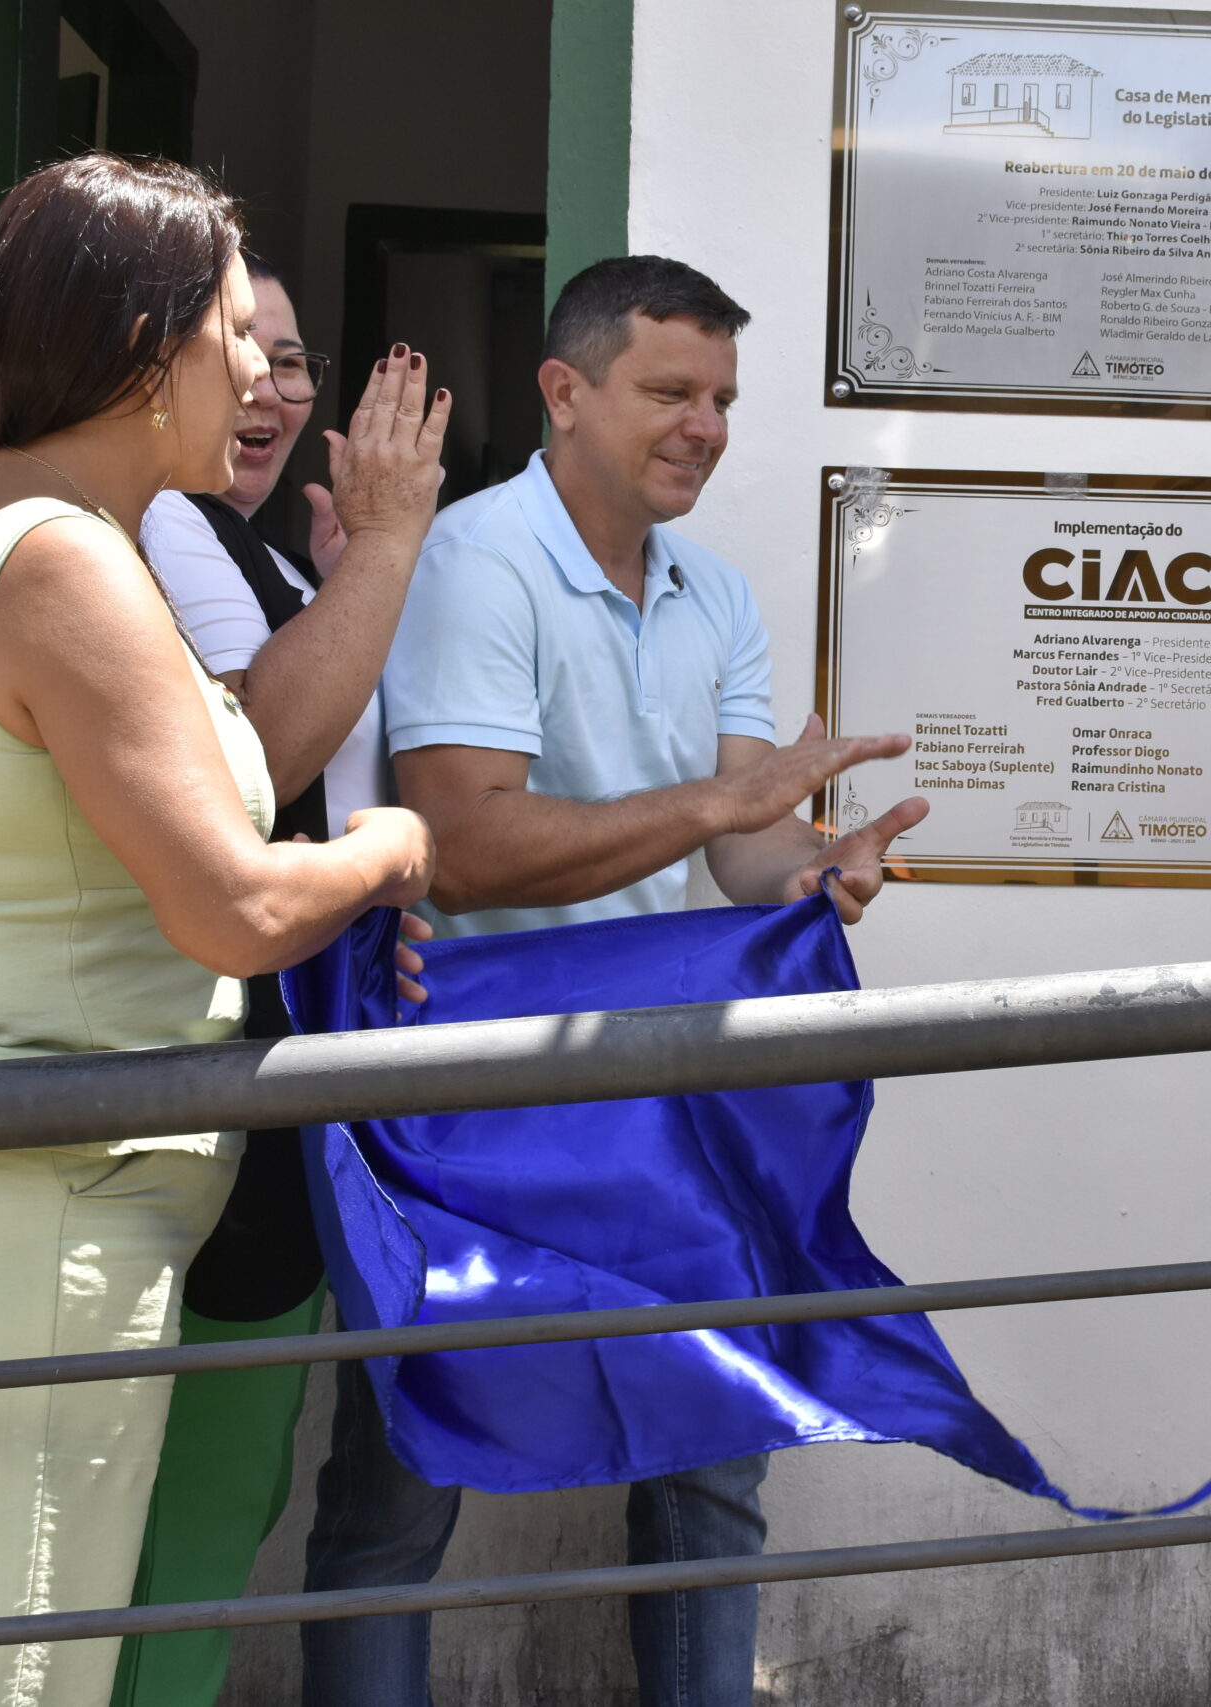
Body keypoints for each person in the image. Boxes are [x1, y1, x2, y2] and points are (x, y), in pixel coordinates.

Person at [0, 153, 437, 1707]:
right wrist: (391, 852)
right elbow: (231, 898)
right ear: (146, 346)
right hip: (22, 1207)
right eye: (235, 330)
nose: (261, 371)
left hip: (21, 1193)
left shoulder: (22, 528)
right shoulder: (63, 558)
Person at [301, 255, 925, 1707]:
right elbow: (462, 843)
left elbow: (743, 846)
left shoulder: (717, 587)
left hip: (668, 1097)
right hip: (465, 1102)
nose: (704, 424)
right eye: (669, 390)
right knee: (400, 1494)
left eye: (720, 398)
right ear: (564, 393)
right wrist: (727, 816)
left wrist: (818, 869)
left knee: (714, 1476)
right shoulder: (471, 558)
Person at [112, 249, 445, 1706]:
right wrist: (382, 547)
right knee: (183, 1520)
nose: (271, 385)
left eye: (295, 361)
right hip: (199, 1093)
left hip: (279, 1094)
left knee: (220, 1505)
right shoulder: (158, 533)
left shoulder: (261, 554)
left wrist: (377, 897)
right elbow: (270, 772)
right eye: (241, 346)